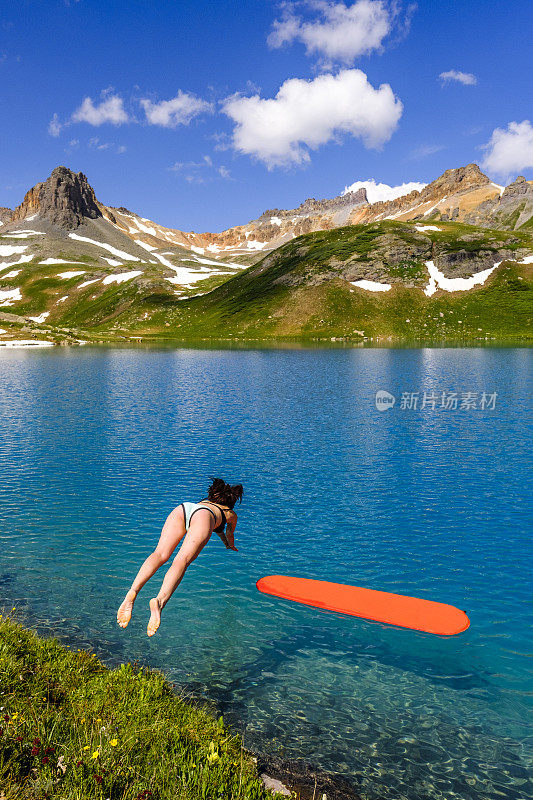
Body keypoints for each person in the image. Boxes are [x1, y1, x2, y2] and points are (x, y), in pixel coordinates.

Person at [116, 478, 243, 636]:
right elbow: (229, 533)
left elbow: (218, 529)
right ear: (232, 501)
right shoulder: (230, 514)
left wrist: (223, 539)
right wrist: (230, 544)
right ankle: (159, 602)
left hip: (185, 508)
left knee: (160, 554)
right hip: (205, 518)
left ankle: (133, 591)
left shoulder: (207, 502)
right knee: (181, 561)